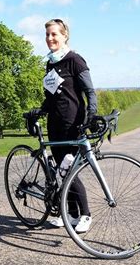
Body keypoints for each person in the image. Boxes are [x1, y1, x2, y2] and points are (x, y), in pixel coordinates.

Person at [31, 18, 97, 233]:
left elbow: (89, 91)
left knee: (69, 170)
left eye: (54, 34)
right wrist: (40, 109)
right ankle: (71, 214)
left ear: (64, 35)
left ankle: (85, 214)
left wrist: (92, 112)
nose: (50, 38)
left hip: (72, 124)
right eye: (47, 35)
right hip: (55, 124)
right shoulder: (50, 62)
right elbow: (51, 96)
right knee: (61, 171)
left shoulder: (74, 60)